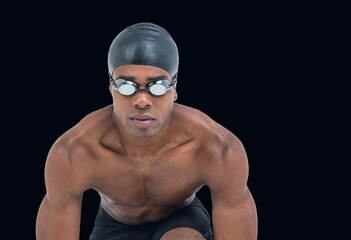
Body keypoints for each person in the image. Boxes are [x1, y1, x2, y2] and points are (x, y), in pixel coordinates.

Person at [35, 22, 258, 240]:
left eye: (158, 86)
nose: (141, 100)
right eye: (126, 85)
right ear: (111, 88)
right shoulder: (74, 152)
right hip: (114, 225)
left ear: (174, 89)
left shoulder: (217, 149)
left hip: (181, 219)